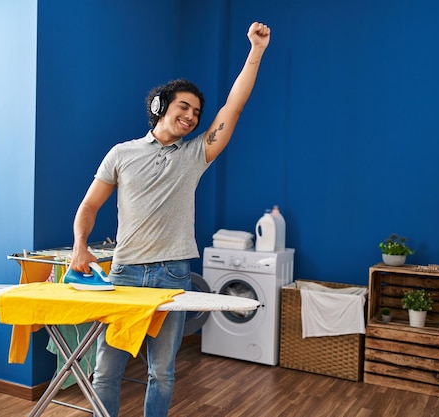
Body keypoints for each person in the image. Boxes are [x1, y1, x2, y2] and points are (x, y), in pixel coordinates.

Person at [70, 21, 271, 417]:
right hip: (125, 274)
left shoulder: (195, 155)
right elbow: (88, 207)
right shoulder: (121, 154)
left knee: (161, 374)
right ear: (160, 106)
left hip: (173, 274)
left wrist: (256, 51)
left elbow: (234, 106)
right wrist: (80, 246)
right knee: (105, 372)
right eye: (184, 107)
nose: (193, 117)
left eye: (197, 112)